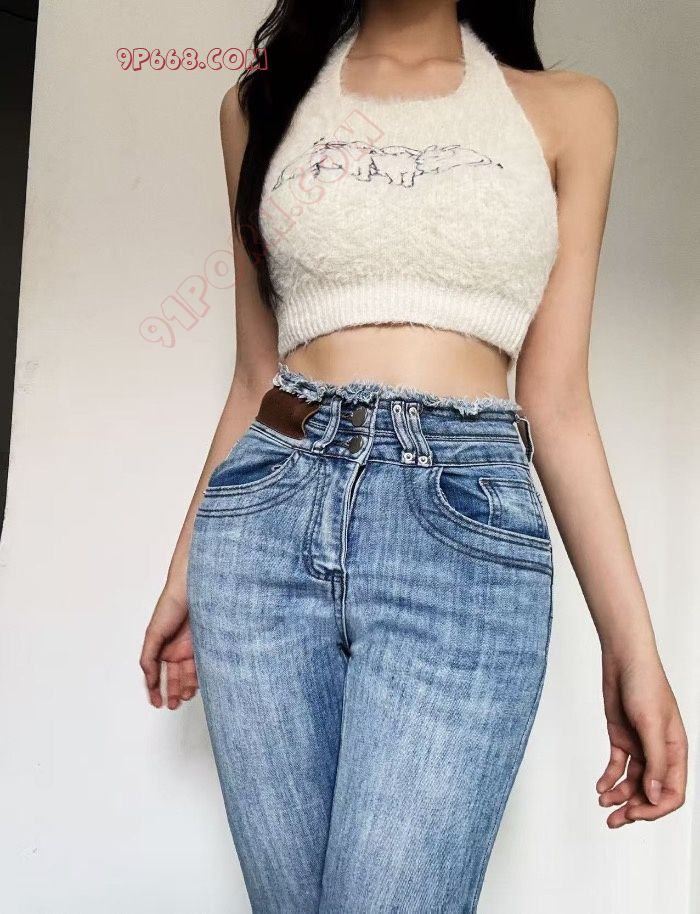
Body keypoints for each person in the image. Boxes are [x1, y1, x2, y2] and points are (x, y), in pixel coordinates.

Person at [139, 2, 688, 910]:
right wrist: (181, 573)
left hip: (462, 534)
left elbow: (557, 403)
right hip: (262, 528)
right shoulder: (260, 106)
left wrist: (632, 649)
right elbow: (255, 378)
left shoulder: (569, 111)